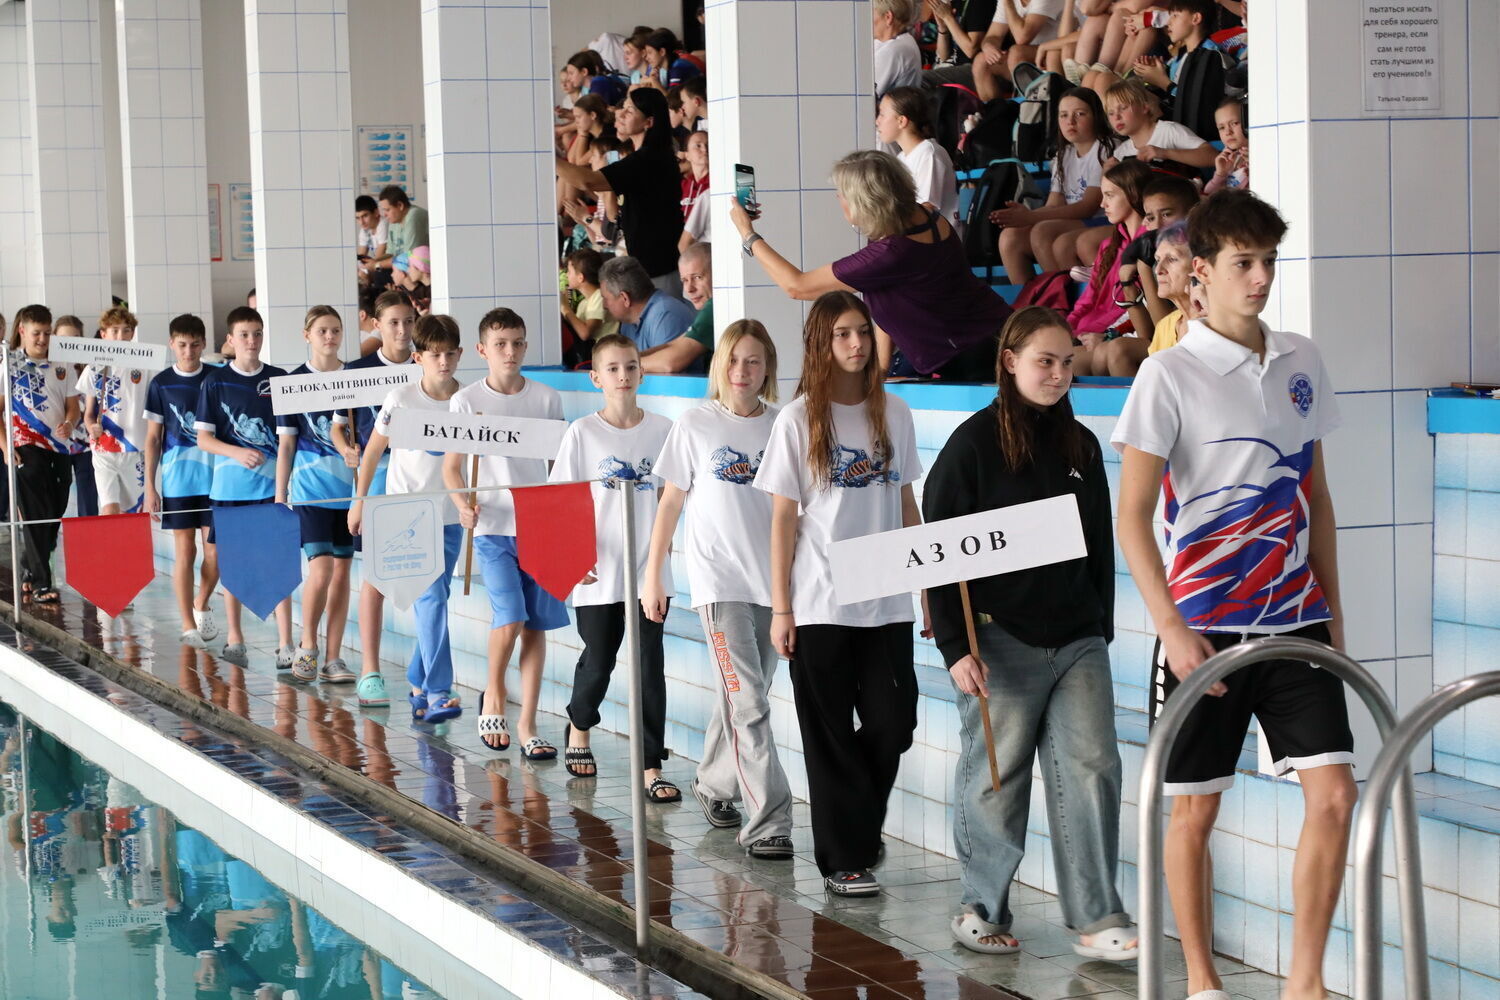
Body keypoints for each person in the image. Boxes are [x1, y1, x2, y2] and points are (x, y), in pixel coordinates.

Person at [1112, 190, 1355, 1000]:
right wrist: (1171, 629)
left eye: (1269, 263)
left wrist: (1335, 621)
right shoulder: (1167, 374)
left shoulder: (1302, 362)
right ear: (1199, 278)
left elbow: (1316, 500)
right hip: (1204, 626)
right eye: (1243, 265)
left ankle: (1306, 982)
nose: (1260, 280)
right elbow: (1133, 519)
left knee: (1336, 795)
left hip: (1296, 621)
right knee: (1194, 812)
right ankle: (1203, 980)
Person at [924, 305, 1138, 960]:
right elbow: (938, 551)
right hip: (999, 638)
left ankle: (1097, 917)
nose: (1058, 374)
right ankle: (980, 906)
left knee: (1094, 768)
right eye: (1045, 361)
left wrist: (1100, 625)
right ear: (1010, 362)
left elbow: (1098, 541)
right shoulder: (972, 446)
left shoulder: (1082, 445)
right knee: (998, 774)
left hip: (1075, 639)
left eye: (1068, 362)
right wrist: (956, 647)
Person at [753, 291, 923, 896]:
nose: (856, 344)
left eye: (862, 332)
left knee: (894, 722)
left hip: (886, 597)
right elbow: (783, 520)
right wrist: (781, 607)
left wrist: (926, 588)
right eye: (843, 334)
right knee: (827, 735)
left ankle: (856, 827)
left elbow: (905, 501)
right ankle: (842, 859)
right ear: (822, 344)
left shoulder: (894, 413)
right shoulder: (798, 419)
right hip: (821, 600)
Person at [643, 319, 795, 859]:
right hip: (719, 584)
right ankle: (769, 820)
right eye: (733, 360)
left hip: (773, 587)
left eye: (753, 361)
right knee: (749, 699)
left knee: (741, 697)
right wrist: (653, 572)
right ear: (719, 365)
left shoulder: (784, 425)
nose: (742, 371)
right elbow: (669, 502)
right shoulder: (695, 425)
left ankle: (713, 783)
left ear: (768, 368)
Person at [732, 150, 1010, 380]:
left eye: (842, 194)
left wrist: (748, 234)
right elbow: (888, 301)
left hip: (975, 356)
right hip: (991, 336)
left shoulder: (891, 252)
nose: (838, 200)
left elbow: (797, 286)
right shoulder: (925, 215)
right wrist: (880, 370)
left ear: (864, 201)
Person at [548, 332, 677, 800]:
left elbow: (671, 500)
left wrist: (661, 567)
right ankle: (579, 723)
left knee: (648, 668)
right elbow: (559, 500)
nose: (623, 376)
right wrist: (570, 557)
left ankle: (650, 766)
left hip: (648, 574)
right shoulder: (583, 432)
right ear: (596, 378)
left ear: (641, 373)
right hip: (599, 572)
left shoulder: (664, 431)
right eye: (614, 369)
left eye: (630, 367)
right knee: (599, 660)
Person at [443, 308, 569, 755]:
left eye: (516, 343)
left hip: (541, 527)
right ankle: (493, 693)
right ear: (482, 351)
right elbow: (452, 469)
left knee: (536, 627)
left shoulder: (547, 400)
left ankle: (528, 724)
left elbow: (559, 470)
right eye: (500, 344)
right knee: (511, 616)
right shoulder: (466, 403)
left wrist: (566, 530)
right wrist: (463, 505)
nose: (510, 351)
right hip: (493, 527)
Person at [350, 314, 466, 726]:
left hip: (451, 516)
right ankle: (438, 691)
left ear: (461, 354)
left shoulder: (467, 401)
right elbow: (371, 453)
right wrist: (359, 501)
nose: (444, 362)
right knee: (431, 598)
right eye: (435, 355)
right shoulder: (401, 398)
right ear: (418, 357)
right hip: (406, 517)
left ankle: (418, 681)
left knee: (437, 600)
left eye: (450, 354)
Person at [194, 307, 294, 666]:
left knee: (277, 565)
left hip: (269, 490)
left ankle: (286, 643)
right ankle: (235, 637)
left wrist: (282, 491)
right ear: (231, 340)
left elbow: (287, 441)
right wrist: (237, 453)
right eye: (244, 335)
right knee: (232, 565)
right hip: (230, 490)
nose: (252, 341)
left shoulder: (279, 380)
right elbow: (204, 439)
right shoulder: (215, 382)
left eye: (257, 334)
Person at [331, 290, 417, 708]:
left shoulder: (427, 364)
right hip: (377, 483)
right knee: (375, 580)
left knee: (424, 578)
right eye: (393, 323)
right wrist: (358, 492)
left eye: (408, 322)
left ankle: (425, 676)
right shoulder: (358, 371)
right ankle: (370, 670)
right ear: (377, 326)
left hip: (420, 484)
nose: (402, 331)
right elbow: (340, 428)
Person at [274, 306, 358, 685]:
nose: (330, 337)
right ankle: (308, 644)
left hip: (349, 493)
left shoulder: (356, 378)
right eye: (322, 330)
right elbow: (287, 444)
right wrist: (280, 493)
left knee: (342, 573)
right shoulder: (294, 383)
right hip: (310, 492)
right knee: (321, 569)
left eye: (335, 330)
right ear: (307, 335)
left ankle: (334, 657)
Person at [555, 88, 685, 293]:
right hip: (647, 265)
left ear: (648, 122)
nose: (620, 114)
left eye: (630, 111)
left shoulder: (648, 159)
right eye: (622, 108)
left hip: (660, 267)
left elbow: (588, 181)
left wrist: (545, 155)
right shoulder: (645, 156)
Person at [144, 314, 220, 647]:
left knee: (216, 554)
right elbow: (153, 438)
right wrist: (150, 485)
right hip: (178, 481)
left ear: (204, 344)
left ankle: (200, 602)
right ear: (172, 345)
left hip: (216, 480)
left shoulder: (217, 379)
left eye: (194, 344)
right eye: (182, 345)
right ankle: (188, 624)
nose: (188, 351)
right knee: (185, 551)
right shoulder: (161, 383)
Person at [991, 86, 1114, 285]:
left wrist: (1031, 216)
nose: (1070, 121)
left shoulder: (1106, 148)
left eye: (1080, 114)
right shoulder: (1062, 155)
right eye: (1063, 115)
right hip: (1077, 221)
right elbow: (1054, 204)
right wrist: (1025, 217)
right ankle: (1030, 305)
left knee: (1043, 230)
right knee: (1010, 236)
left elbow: (1088, 207)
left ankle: (1059, 299)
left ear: (1097, 117)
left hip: (1102, 221)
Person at [4, 305, 80, 604]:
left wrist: (70, 423)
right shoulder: (7, 365)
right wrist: (5, 446)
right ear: (22, 330)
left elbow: (73, 405)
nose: (42, 339)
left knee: (53, 514)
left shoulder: (62, 363)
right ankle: (41, 582)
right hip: (25, 447)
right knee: (36, 515)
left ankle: (27, 567)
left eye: (47, 333)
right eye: (36, 333)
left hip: (59, 447)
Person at [1066, 158, 1150, 375]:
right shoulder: (1108, 246)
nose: (1102, 204)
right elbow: (1089, 298)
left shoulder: (1152, 244)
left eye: (1110, 195)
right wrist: (1069, 329)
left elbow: (1142, 307)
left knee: (1061, 364)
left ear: (1133, 194)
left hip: (1116, 335)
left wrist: (1104, 333)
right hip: (1090, 333)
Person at [76, 306, 148, 515]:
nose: (121, 336)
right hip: (103, 449)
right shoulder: (94, 368)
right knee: (109, 509)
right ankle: (110, 548)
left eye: (126, 330)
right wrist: (91, 427)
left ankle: (131, 548)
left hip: (136, 447)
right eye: (115, 330)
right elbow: (89, 413)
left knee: (134, 511)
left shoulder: (144, 365)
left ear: (133, 334)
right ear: (103, 334)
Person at [875, 87, 959, 226]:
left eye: (882, 114)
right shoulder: (902, 157)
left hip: (937, 242)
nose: (877, 121)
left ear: (901, 121)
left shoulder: (929, 153)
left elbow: (926, 209)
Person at [1105, 79, 1216, 172]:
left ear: (1144, 107)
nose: (1116, 117)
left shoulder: (1168, 131)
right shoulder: (1120, 153)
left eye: (1123, 108)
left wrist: (1165, 153)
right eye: (1111, 113)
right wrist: (1107, 173)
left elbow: (1212, 156)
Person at [49, 315, 99, 518]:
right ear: (54, 338)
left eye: (75, 338)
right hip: (56, 440)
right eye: (64, 339)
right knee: (56, 493)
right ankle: (49, 540)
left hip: (85, 442)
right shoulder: (49, 368)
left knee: (88, 493)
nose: (70, 344)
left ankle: (90, 541)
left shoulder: (90, 369)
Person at [970, 0, 1069, 100]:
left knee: (1017, 53)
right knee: (981, 61)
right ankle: (995, 112)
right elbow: (994, 35)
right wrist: (988, 46)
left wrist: (1008, 4)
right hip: (1028, 59)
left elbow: (1022, 38)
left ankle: (1032, 108)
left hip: (1054, 54)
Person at [641, 242, 713, 375]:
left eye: (697, 277)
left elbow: (671, 362)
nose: (690, 289)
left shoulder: (713, 308)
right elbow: (674, 344)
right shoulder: (709, 308)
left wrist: (624, 366)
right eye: (685, 280)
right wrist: (628, 358)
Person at [599, 255, 696, 352]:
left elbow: (663, 365)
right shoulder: (627, 321)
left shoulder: (666, 316)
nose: (604, 306)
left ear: (625, 298)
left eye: (605, 299)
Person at [1141, 220, 1199, 354]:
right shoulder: (1165, 326)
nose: (1158, 270)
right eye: (1157, 260)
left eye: (1172, 259)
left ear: (1200, 267)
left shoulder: (1218, 324)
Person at [368, 186, 429, 277]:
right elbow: (391, 253)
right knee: (376, 274)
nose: (384, 214)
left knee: (380, 275)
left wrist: (377, 265)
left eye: (387, 210)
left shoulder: (414, 216)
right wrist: (374, 261)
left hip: (421, 269)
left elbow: (408, 258)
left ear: (400, 206)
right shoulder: (394, 221)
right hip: (403, 265)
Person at [873, 0, 923, 99]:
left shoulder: (894, 50)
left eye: (871, 14)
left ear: (888, 17)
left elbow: (866, 93)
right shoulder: (902, 40)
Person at [1204, 97, 1248, 194]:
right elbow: (1209, 194)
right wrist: (1220, 174)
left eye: (1234, 123)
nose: (1228, 132)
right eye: (1222, 127)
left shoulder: (1264, 151)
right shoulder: (1229, 159)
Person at [677, 130, 710, 251]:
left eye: (708, 145)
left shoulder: (717, 184)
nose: (705, 149)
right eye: (698, 145)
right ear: (687, 155)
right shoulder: (683, 185)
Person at [355, 194, 387, 267]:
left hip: (391, 265)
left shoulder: (383, 225)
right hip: (379, 265)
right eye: (358, 218)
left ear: (376, 213)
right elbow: (361, 256)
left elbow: (379, 258)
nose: (361, 222)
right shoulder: (364, 230)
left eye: (365, 216)